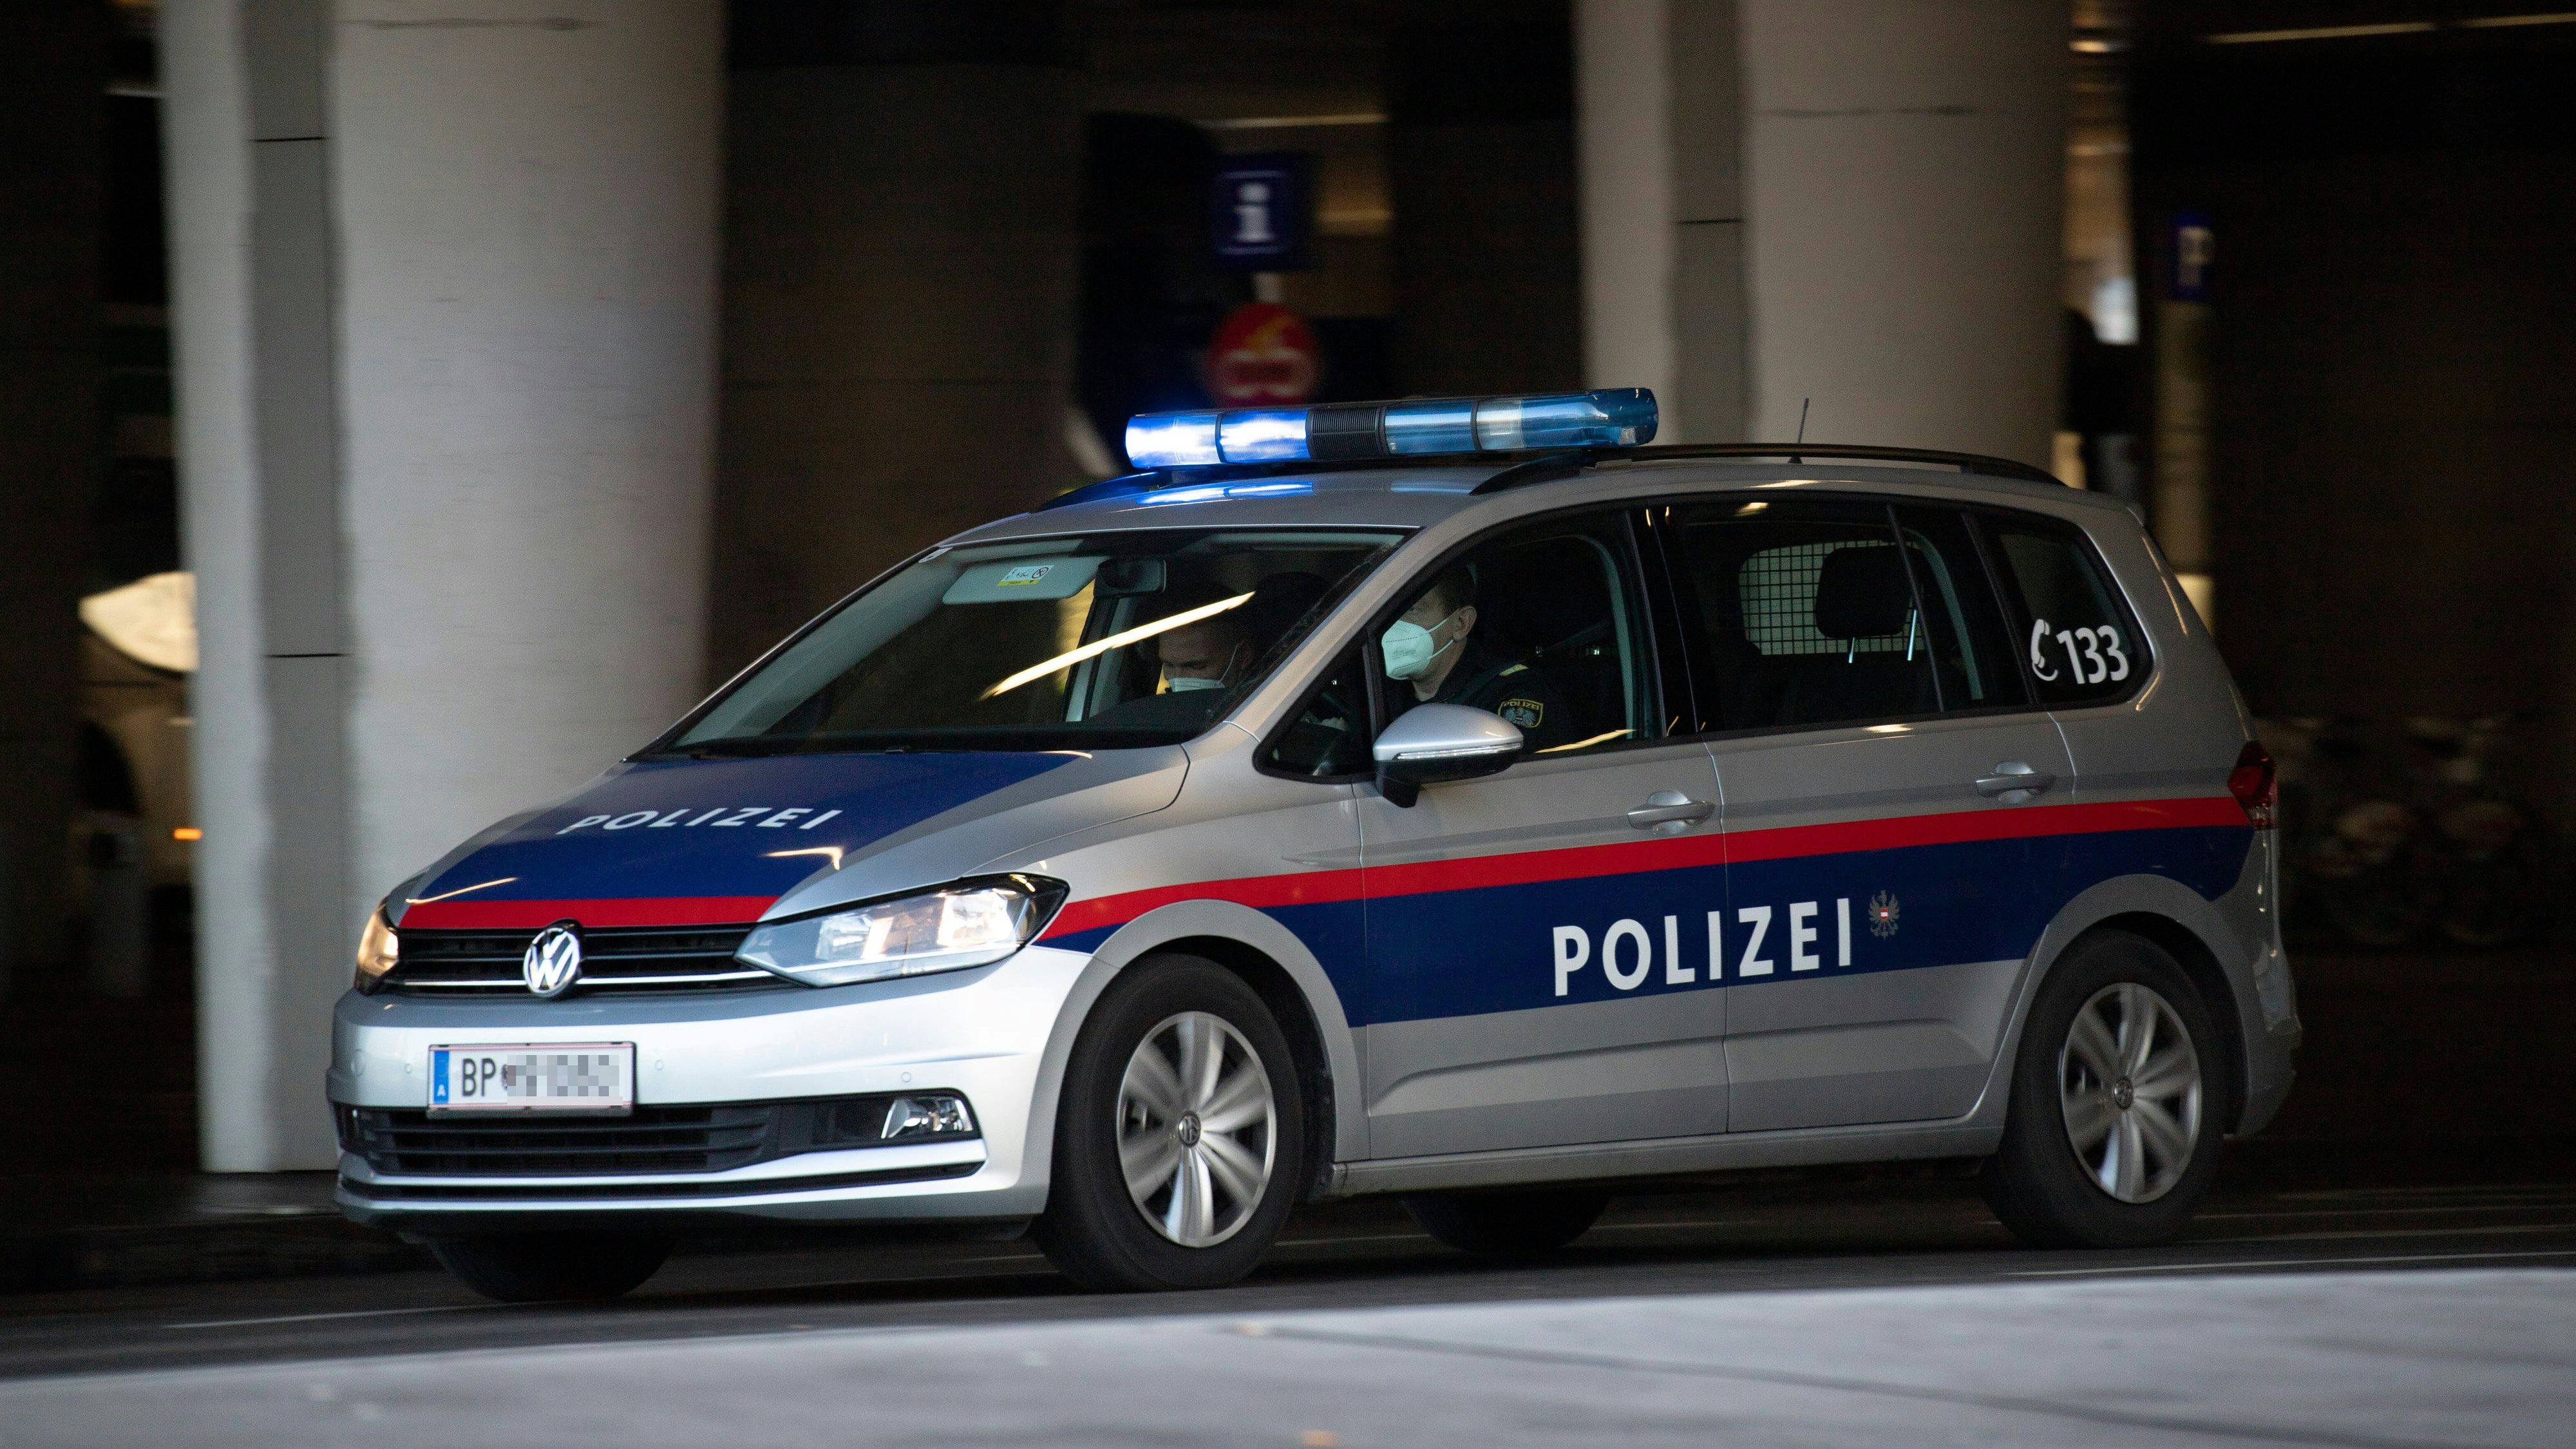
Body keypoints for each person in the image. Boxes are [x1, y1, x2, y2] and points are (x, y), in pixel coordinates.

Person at [1382, 565, 1578, 751]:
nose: (1393, 625)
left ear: (1460, 623)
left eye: (1412, 610)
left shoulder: (1510, 692)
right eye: (1391, 610)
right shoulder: (1378, 688)